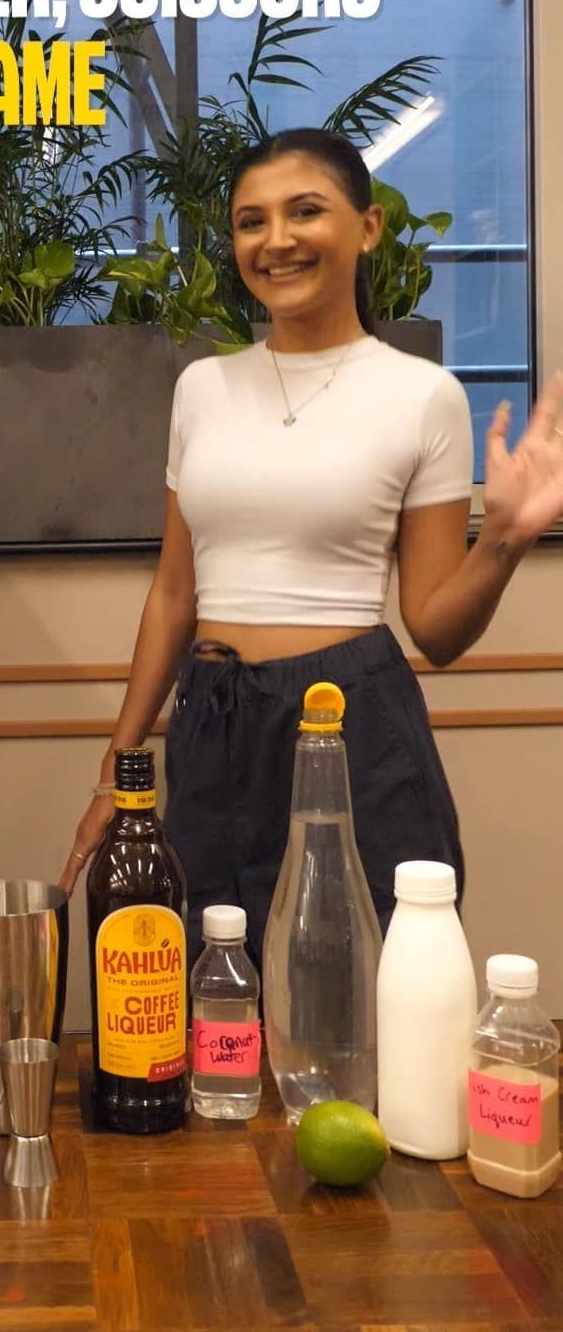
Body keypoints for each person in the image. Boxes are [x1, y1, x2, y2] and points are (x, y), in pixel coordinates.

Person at [62, 127, 563, 966]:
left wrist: (504, 540)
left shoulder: (422, 395)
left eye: (305, 212)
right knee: (210, 983)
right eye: (250, 222)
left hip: (350, 719)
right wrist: (119, 769)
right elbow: (175, 595)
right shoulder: (203, 389)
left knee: (361, 983)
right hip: (213, 720)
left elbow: (435, 628)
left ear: (367, 228)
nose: (277, 240)